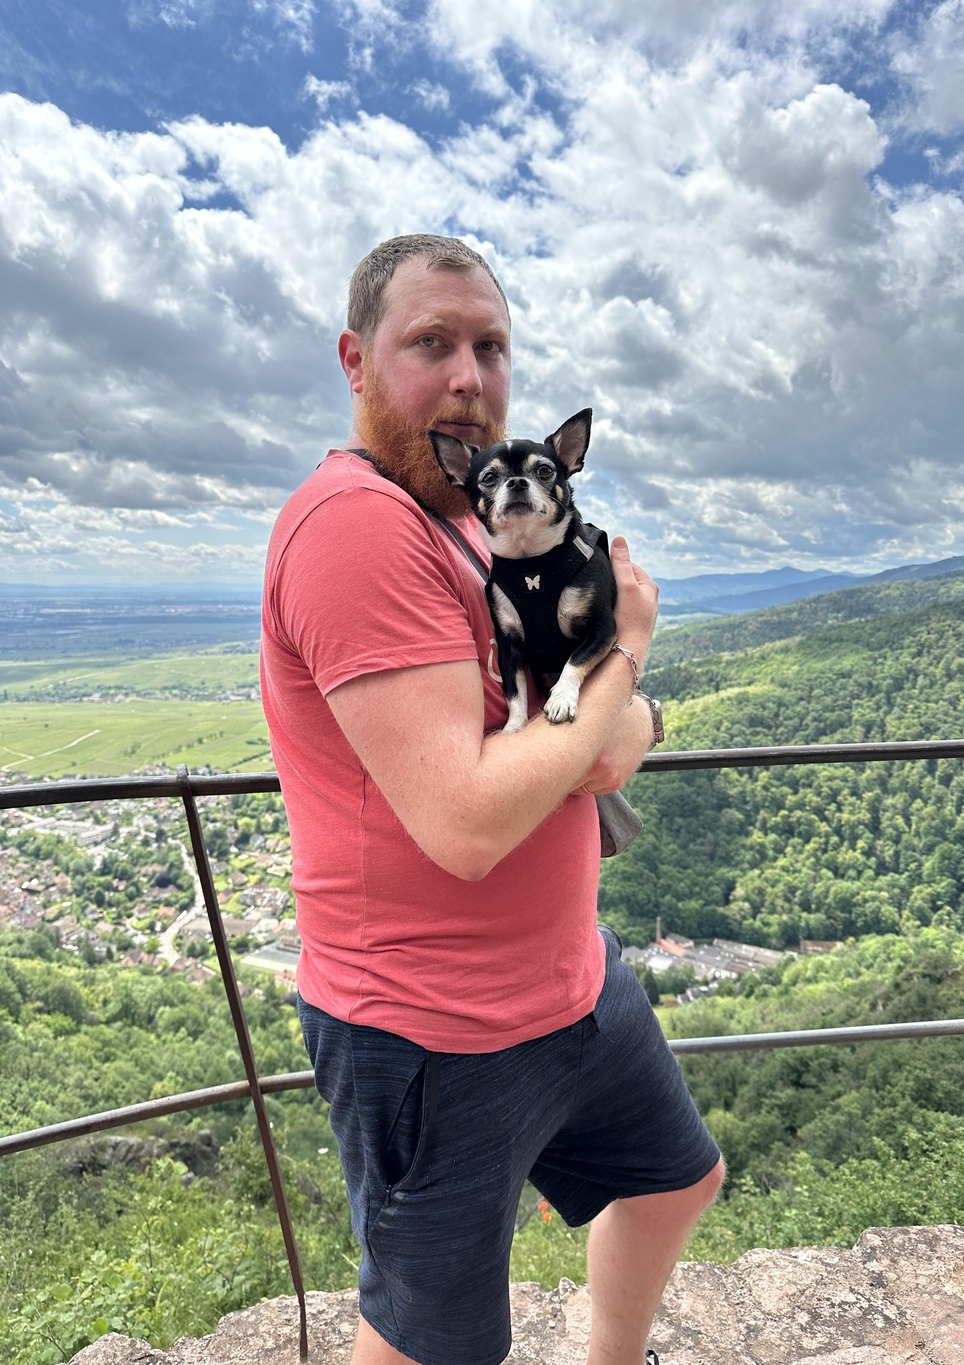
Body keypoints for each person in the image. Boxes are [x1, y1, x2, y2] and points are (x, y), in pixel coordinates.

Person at [261, 234, 724, 1365]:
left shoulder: (478, 521)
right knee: (433, 1336)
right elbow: (470, 818)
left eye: (491, 347)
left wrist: (622, 722)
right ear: (356, 361)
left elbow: (590, 748)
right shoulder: (357, 525)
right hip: (434, 1025)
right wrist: (632, 653)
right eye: (432, 343)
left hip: (570, 980)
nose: (471, 376)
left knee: (676, 1179)